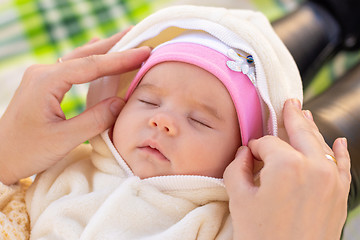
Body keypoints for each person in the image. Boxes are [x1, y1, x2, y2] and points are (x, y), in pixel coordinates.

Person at [0, 5, 350, 240]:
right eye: (148, 100)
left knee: (254, 66)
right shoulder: (242, 223)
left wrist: (4, 165)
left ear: (243, 154)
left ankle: (325, 16)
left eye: (199, 120)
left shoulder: (215, 213)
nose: (162, 120)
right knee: (327, 140)